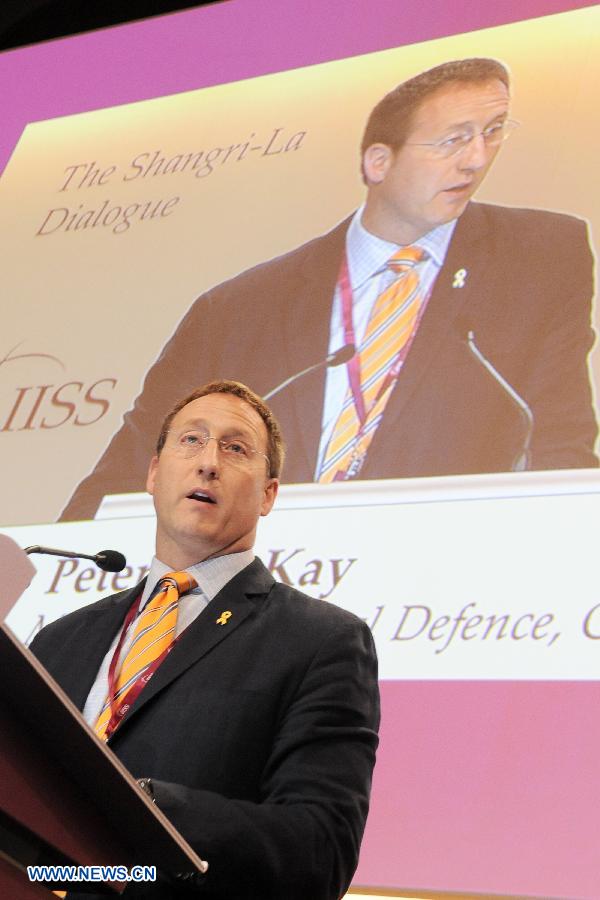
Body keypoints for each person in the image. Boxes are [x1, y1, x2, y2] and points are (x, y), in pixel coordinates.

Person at [61, 57, 598, 521]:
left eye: (494, 130)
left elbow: (561, 443)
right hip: (264, 594)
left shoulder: (541, 256)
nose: (477, 159)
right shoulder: (239, 307)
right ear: (378, 162)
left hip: (448, 592)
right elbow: (136, 464)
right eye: (453, 139)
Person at [31, 381, 380, 899]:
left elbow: (319, 851)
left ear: (268, 494)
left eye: (235, 448)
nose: (208, 462)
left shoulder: (322, 642)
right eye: (191, 440)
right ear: (153, 473)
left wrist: (148, 806)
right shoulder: (58, 642)